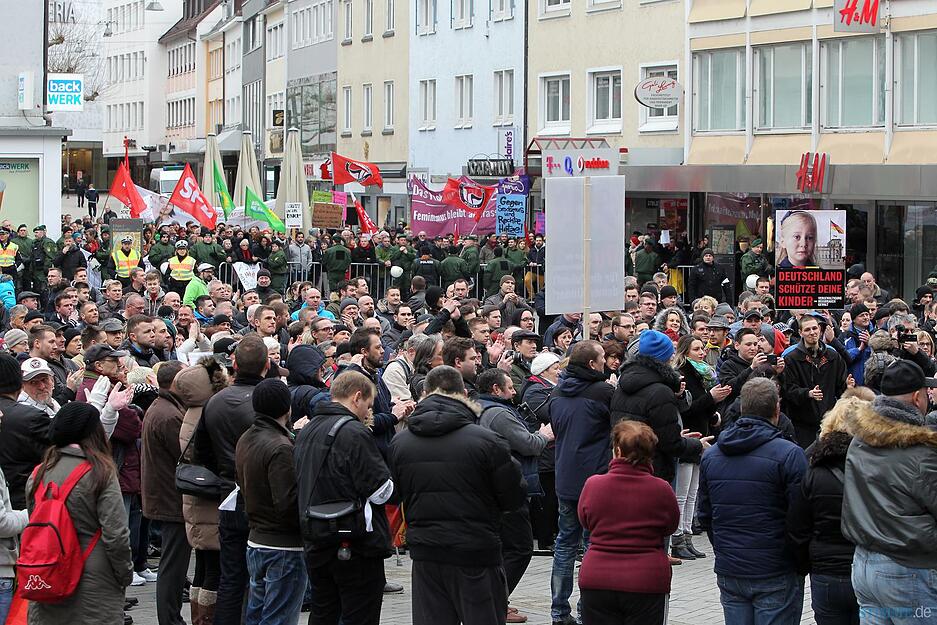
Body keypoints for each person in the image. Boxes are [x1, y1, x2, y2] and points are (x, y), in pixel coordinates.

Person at [389, 366, 526, 625]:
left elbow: (396, 493)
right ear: (463, 394)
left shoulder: (401, 442)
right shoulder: (487, 441)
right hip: (475, 551)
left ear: (424, 393)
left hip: (427, 552)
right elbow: (513, 497)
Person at [697, 378, 808, 625]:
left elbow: (706, 514)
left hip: (733, 567)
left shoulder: (712, 456)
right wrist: (799, 561)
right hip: (774, 568)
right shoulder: (789, 454)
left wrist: (725, 549)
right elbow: (801, 518)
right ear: (777, 409)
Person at [840, 359, 937, 621]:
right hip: (908, 569)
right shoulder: (922, 452)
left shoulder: (860, 440)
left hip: (864, 564)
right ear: (917, 398)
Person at [296, 371, 393, 625]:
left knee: (323, 611)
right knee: (360, 613)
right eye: (368, 406)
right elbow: (380, 491)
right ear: (357, 397)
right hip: (355, 541)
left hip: (316, 535)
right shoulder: (354, 432)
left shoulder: (307, 430)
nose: (368, 413)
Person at [26, 402, 133, 625]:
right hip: (94, 575)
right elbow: (116, 534)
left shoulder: (38, 474)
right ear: (94, 433)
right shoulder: (100, 472)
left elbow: (34, 522)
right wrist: (124, 573)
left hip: (47, 571)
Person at [194, 335, 269, 624]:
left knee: (232, 576)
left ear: (234, 364)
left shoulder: (215, 401)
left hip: (230, 493)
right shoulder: (267, 401)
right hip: (259, 497)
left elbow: (202, 452)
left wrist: (226, 472)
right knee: (261, 575)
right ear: (266, 365)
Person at [577, 420, 679, 625]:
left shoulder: (593, 485)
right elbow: (671, 526)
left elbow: (585, 522)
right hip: (646, 578)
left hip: (598, 576)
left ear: (617, 450)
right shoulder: (661, 489)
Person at [476, 368, 553, 623]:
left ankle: (497, 600)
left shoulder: (481, 408)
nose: (513, 392)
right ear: (496, 389)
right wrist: (544, 435)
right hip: (508, 488)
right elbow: (528, 444)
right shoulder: (499, 413)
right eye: (509, 387)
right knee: (520, 548)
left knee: (502, 550)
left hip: (493, 489)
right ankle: (495, 602)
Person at [787, 393, 871, 625]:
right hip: (866, 569)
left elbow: (798, 527)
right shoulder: (876, 468)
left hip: (826, 572)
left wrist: (806, 563)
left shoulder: (814, 472)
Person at [548, 340, 615, 625]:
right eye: (602, 358)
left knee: (565, 545)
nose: (606, 362)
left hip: (565, 477)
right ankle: (586, 610)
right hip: (595, 480)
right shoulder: (603, 392)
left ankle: (558, 612)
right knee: (592, 546)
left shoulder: (556, 392)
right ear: (591, 364)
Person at [236, 379, 307, 625]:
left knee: (257, 615)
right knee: (278, 618)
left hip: (258, 540)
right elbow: (288, 504)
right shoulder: (280, 447)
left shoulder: (247, 438)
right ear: (287, 408)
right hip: (282, 546)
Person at [174, 357, 229, 625]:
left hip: (195, 499)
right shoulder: (208, 413)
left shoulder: (190, 412)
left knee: (203, 566)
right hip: (209, 500)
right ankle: (206, 619)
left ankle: (199, 618)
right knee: (213, 570)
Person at [140, 360, 190, 625]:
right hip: (170, 498)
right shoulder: (169, 414)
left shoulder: (165, 407)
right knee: (173, 566)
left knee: (174, 564)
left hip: (166, 496)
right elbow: (186, 453)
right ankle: (170, 620)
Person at [781, 314, 847, 448]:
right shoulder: (791, 358)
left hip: (829, 422)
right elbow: (788, 390)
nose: (812, 332)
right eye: (807, 330)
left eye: (814, 328)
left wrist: (848, 387)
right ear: (800, 333)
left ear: (819, 329)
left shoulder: (833, 356)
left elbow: (840, 386)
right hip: (803, 425)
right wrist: (807, 393)